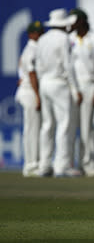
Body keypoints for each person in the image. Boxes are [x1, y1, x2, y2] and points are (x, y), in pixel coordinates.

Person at [35, 9, 82, 177]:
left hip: (45, 83)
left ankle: (44, 165)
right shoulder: (64, 39)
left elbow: (38, 66)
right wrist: (75, 89)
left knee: (47, 125)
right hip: (59, 84)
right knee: (64, 124)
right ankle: (62, 166)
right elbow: (68, 66)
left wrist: (40, 86)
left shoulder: (42, 39)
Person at [69, 8, 94, 177]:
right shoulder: (69, 40)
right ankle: (85, 161)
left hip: (90, 85)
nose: (72, 24)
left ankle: (89, 164)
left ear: (82, 21)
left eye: (74, 21)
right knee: (75, 126)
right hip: (73, 86)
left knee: (87, 126)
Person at [15, 21, 44, 177]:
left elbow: (21, 73)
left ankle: (34, 162)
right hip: (31, 92)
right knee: (32, 129)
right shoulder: (31, 50)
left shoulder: (31, 49)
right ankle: (31, 165)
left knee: (34, 128)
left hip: (28, 90)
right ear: (30, 34)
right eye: (37, 32)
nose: (40, 35)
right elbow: (32, 74)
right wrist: (38, 95)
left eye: (41, 32)